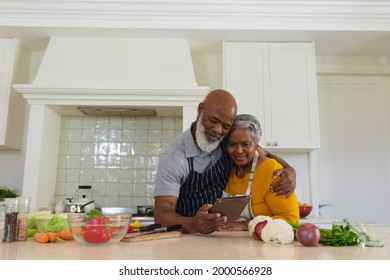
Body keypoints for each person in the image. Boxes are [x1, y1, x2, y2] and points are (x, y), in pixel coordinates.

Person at [154, 89, 296, 234]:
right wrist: (194, 224)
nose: (217, 130)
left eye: (225, 126)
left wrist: (289, 170)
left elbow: (260, 151)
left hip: (223, 235)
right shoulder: (174, 157)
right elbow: (161, 216)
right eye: (213, 121)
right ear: (200, 109)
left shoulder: (228, 141)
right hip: (189, 236)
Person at [220, 114, 299, 231]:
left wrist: (244, 225)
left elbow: (290, 219)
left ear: (256, 145)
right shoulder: (228, 165)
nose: (239, 151)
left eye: (246, 144)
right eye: (232, 144)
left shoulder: (271, 170)